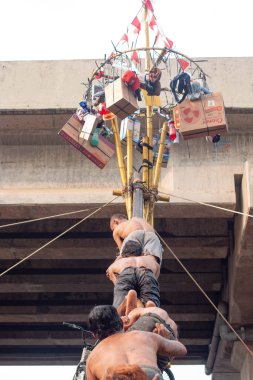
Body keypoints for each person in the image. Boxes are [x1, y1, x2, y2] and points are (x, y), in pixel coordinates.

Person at [86, 305, 187, 380]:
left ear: (94, 335)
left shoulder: (92, 358)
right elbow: (182, 350)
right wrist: (167, 338)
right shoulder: (142, 335)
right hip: (148, 374)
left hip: (114, 376)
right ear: (122, 323)